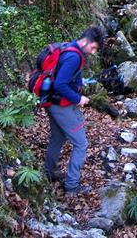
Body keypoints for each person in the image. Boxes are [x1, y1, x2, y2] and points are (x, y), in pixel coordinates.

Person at [43, 26, 106, 197]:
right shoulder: (73, 57)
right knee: (81, 143)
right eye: (93, 48)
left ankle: (47, 172)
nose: (92, 52)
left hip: (50, 102)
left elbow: (61, 78)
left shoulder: (68, 47)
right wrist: (79, 99)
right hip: (60, 106)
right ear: (85, 41)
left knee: (58, 137)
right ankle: (72, 186)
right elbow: (60, 84)